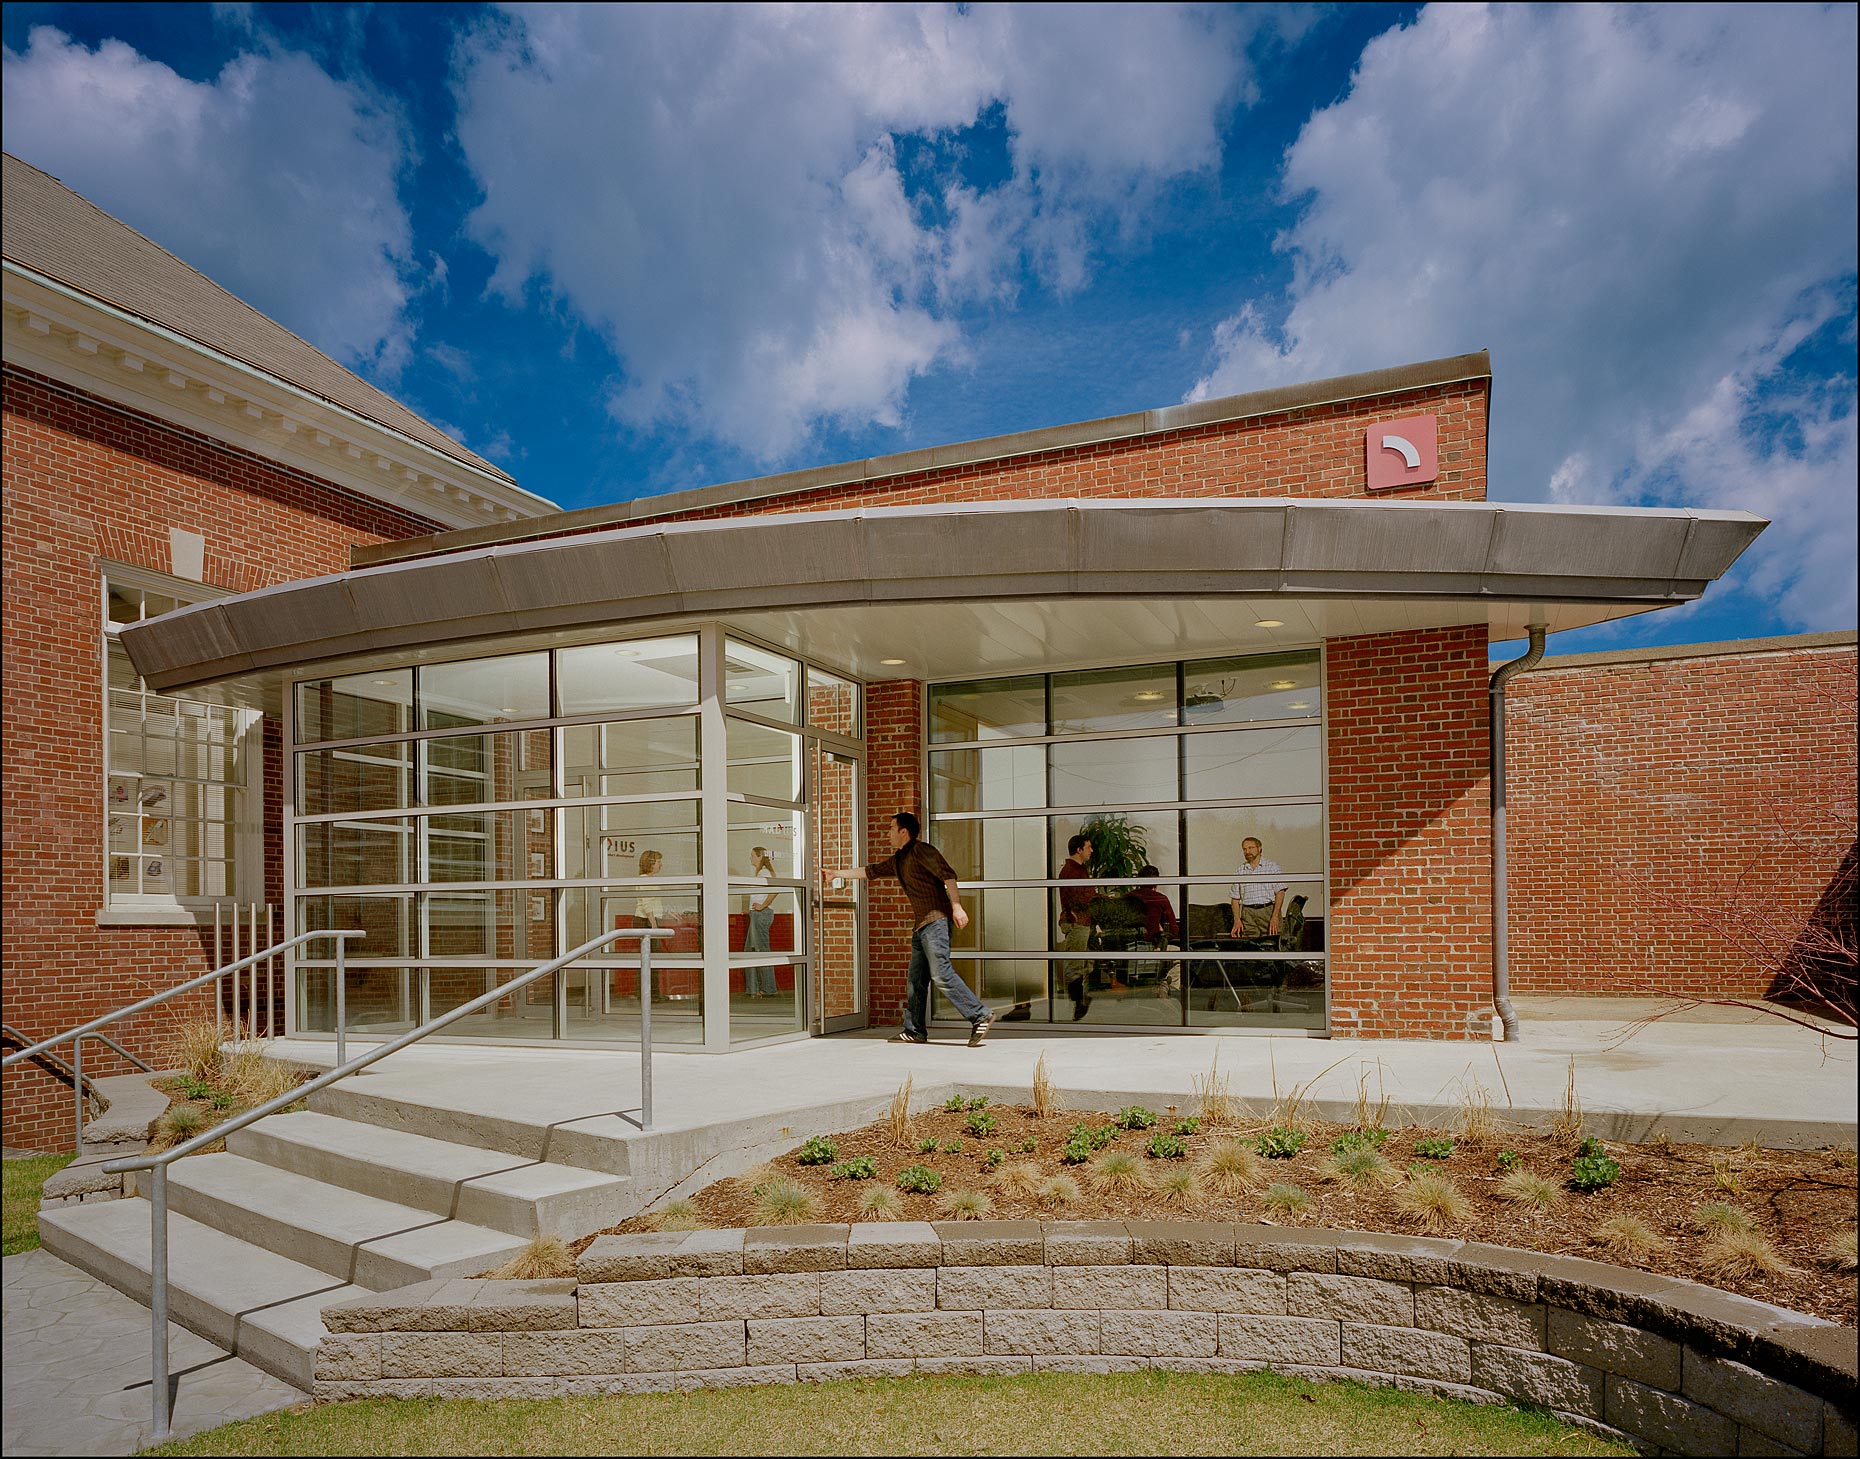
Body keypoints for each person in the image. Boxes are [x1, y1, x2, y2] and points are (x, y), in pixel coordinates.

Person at [832, 812, 992, 1047]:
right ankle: (914, 1030)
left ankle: (980, 1015)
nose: (887, 833)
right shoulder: (899, 859)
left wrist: (957, 906)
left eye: (891, 828)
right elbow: (871, 871)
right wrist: (836, 874)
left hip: (936, 922)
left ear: (903, 832)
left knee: (941, 973)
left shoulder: (922, 851)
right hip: (921, 927)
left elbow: (948, 876)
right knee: (916, 981)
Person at [1126, 864, 1180, 996]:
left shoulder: (1126, 898)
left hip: (1127, 950)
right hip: (1151, 948)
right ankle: (1168, 986)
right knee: (1183, 957)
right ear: (1156, 882)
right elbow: (1173, 930)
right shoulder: (1160, 899)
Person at [1057, 833, 1095, 1020]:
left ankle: (1082, 999)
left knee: (1086, 964)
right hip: (1077, 922)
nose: (1091, 851)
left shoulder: (1080, 869)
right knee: (1075, 964)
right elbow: (1081, 898)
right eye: (1088, 847)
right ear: (1079, 850)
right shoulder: (1071, 871)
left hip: (1083, 922)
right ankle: (1079, 1001)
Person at [1228, 837, 1287, 943]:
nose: (1247, 852)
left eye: (1251, 848)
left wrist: (1275, 916)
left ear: (1259, 848)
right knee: (1249, 944)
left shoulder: (1272, 867)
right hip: (1248, 913)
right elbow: (1235, 899)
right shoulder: (1240, 871)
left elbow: (1280, 892)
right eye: (1244, 849)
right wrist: (1237, 919)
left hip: (1267, 911)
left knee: (1273, 942)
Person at [743, 845, 778, 998]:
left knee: (759, 951)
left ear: (759, 856)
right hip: (757, 913)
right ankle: (756, 988)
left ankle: (765, 988)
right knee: (754, 950)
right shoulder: (761, 873)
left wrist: (762, 906)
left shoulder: (764, 872)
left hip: (761, 914)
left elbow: (775, 890)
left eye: (752, 855)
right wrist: (751, 909)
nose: (750, 858)